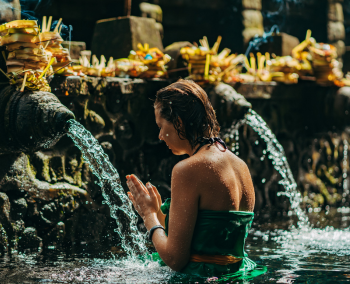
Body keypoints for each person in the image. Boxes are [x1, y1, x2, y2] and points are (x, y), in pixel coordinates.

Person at [126, 79, 264, 278]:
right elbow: (207, 238)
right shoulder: (241, 166)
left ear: (179, 123)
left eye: (161, 126)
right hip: (237, 276)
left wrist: (148, 216)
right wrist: (159, 214)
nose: (159, 136)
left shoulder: (187, 170)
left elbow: (175, 259)